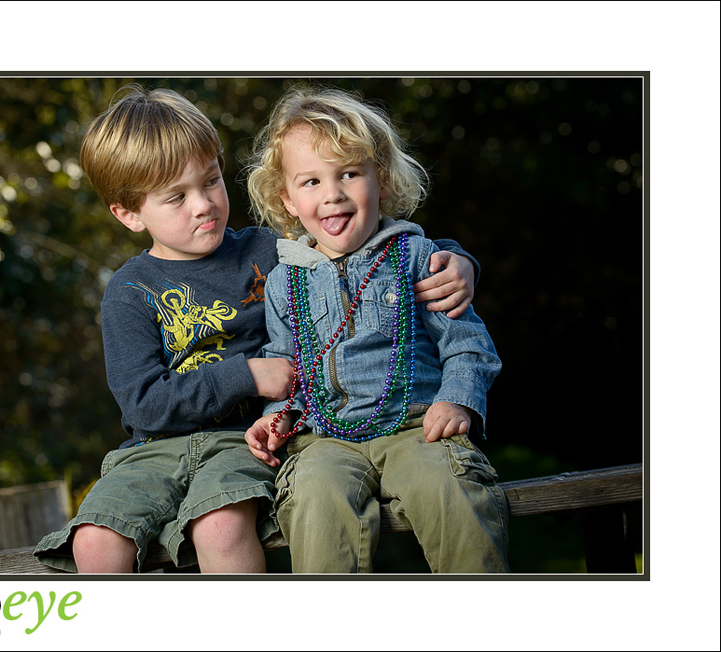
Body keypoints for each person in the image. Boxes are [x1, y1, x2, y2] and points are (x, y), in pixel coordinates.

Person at [33, 85, 479, 574]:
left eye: (210, 181)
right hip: (150, 451)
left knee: (220, 527)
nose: (203, 205)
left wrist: (458, 260)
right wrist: (247, 375)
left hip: (243, 445)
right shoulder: (128, 290)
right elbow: (143, 404)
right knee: (95, 544)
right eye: (176, 197)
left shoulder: (271, 252)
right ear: (129, 213)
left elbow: (356, 245)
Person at [245, 85, 509, 573]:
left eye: (349, 173)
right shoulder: (285, 282)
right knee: (315, 496)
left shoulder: (417, 258)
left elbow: (468, 344)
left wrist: (458, 399)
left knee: (449, 487)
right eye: (311, 182)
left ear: (381, 181)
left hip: (415, 428)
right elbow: (286, 368)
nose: (332, 194)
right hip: (325, 439)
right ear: (287, 199)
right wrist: (279, 416)